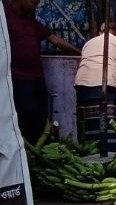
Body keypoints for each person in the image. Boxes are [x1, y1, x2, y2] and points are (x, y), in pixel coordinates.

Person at [4, 0, 80, 142]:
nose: (36, 5)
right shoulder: (6, 17)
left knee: (41, 115)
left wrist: (79, 52)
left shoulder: (31, 22)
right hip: (18, 77)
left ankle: (38, 148)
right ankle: (27, 148)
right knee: (28, 113)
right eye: (33, 3)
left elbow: (54, 39)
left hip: (37, 77)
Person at [74, 24, 116, 154]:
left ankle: (90, 152)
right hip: (108, 84)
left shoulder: (88, 43)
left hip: (83, 85)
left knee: (88, 123)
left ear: (99, 32)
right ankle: (111, 153)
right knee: (111, 124)